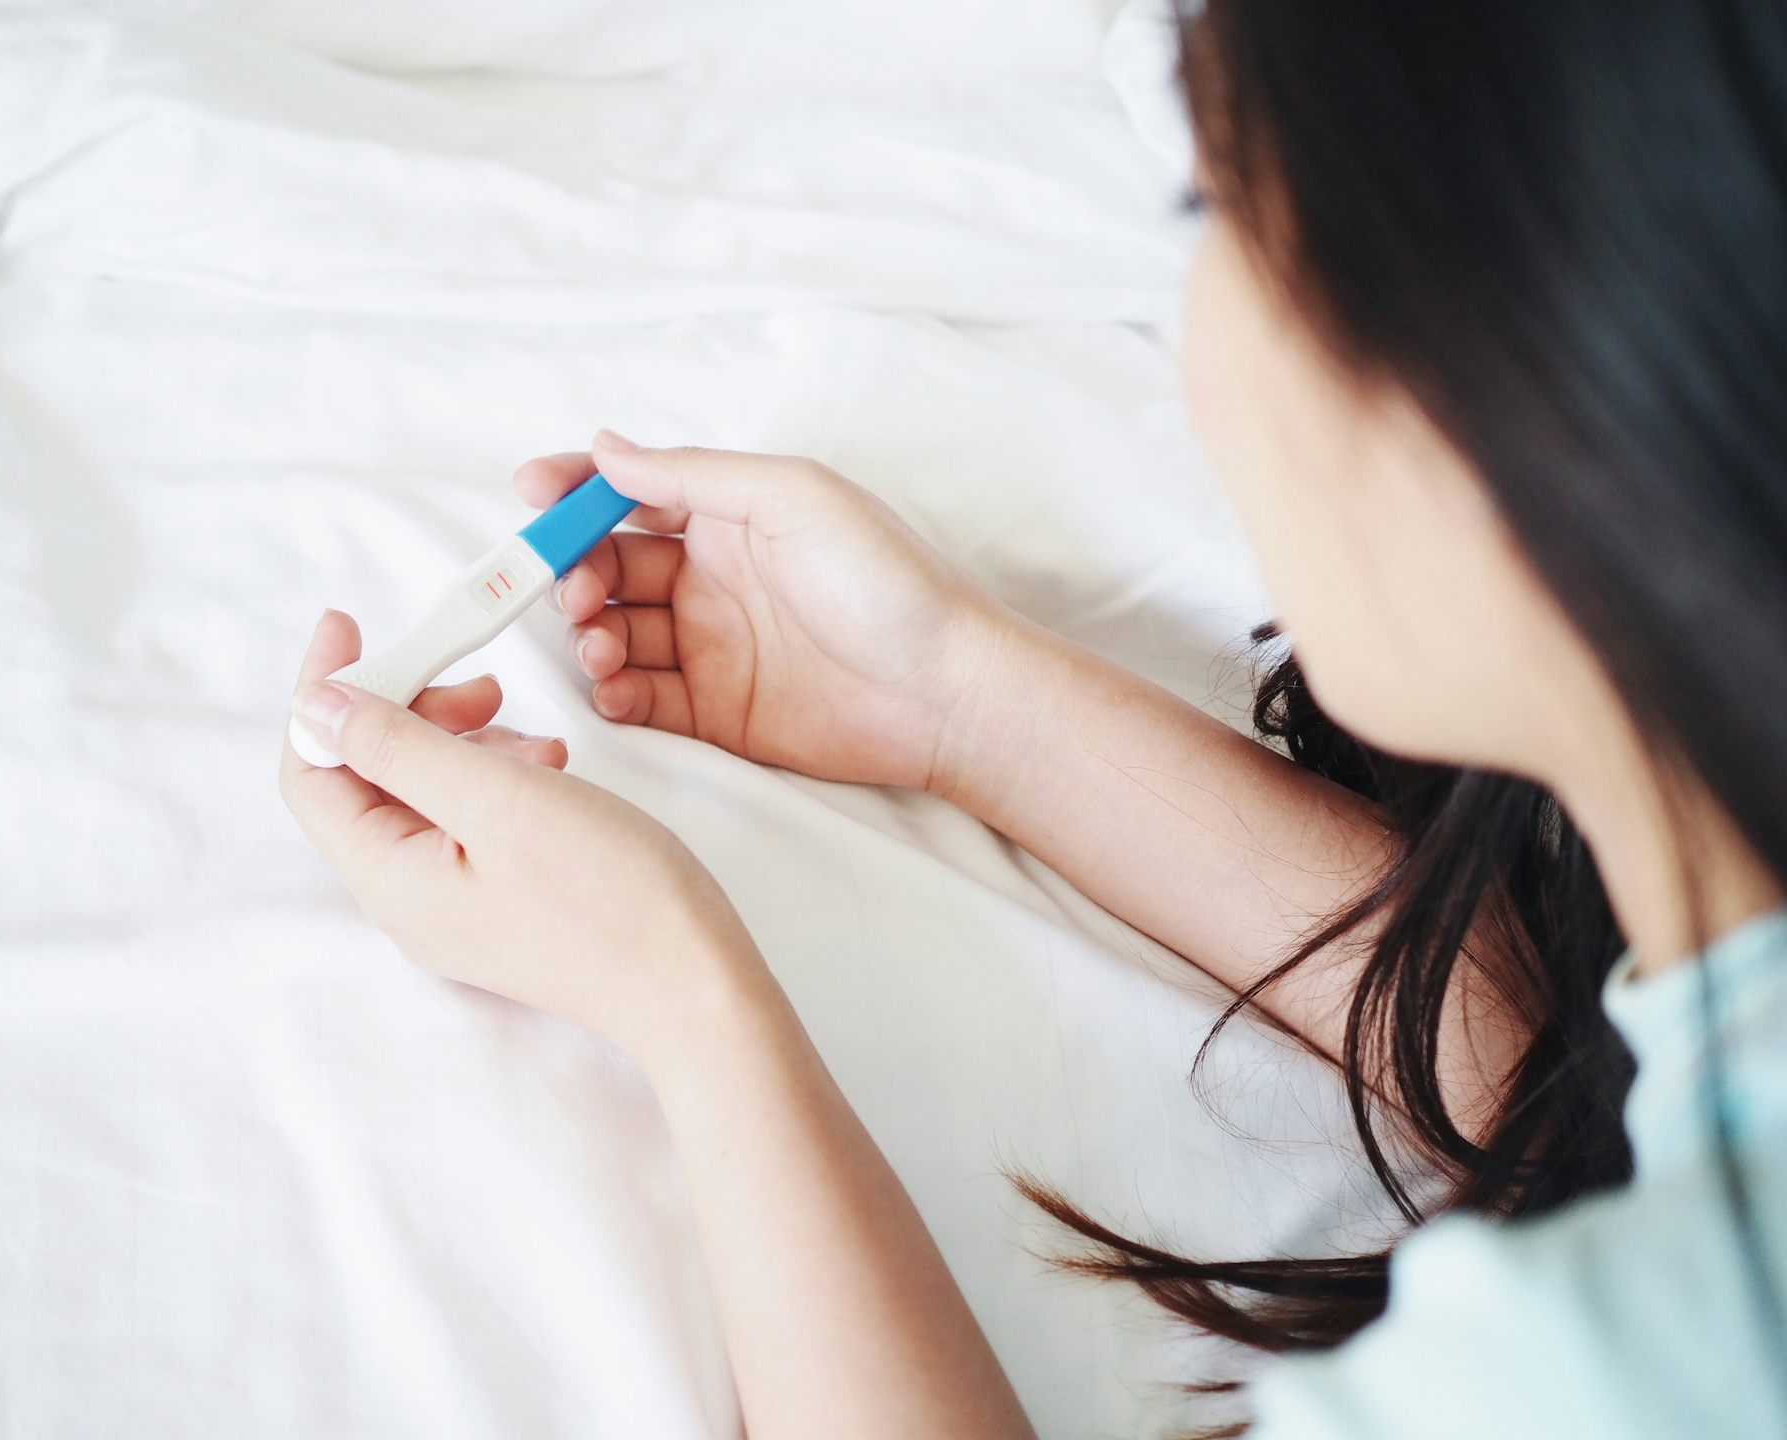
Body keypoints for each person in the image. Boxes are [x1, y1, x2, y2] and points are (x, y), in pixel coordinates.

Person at [279, 2, 1787, 1435]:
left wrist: (684, 993)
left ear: (1554, 376)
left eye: (1215, 221)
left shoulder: (1610, 1371)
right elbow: (1552, 1083)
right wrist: (949, 697)